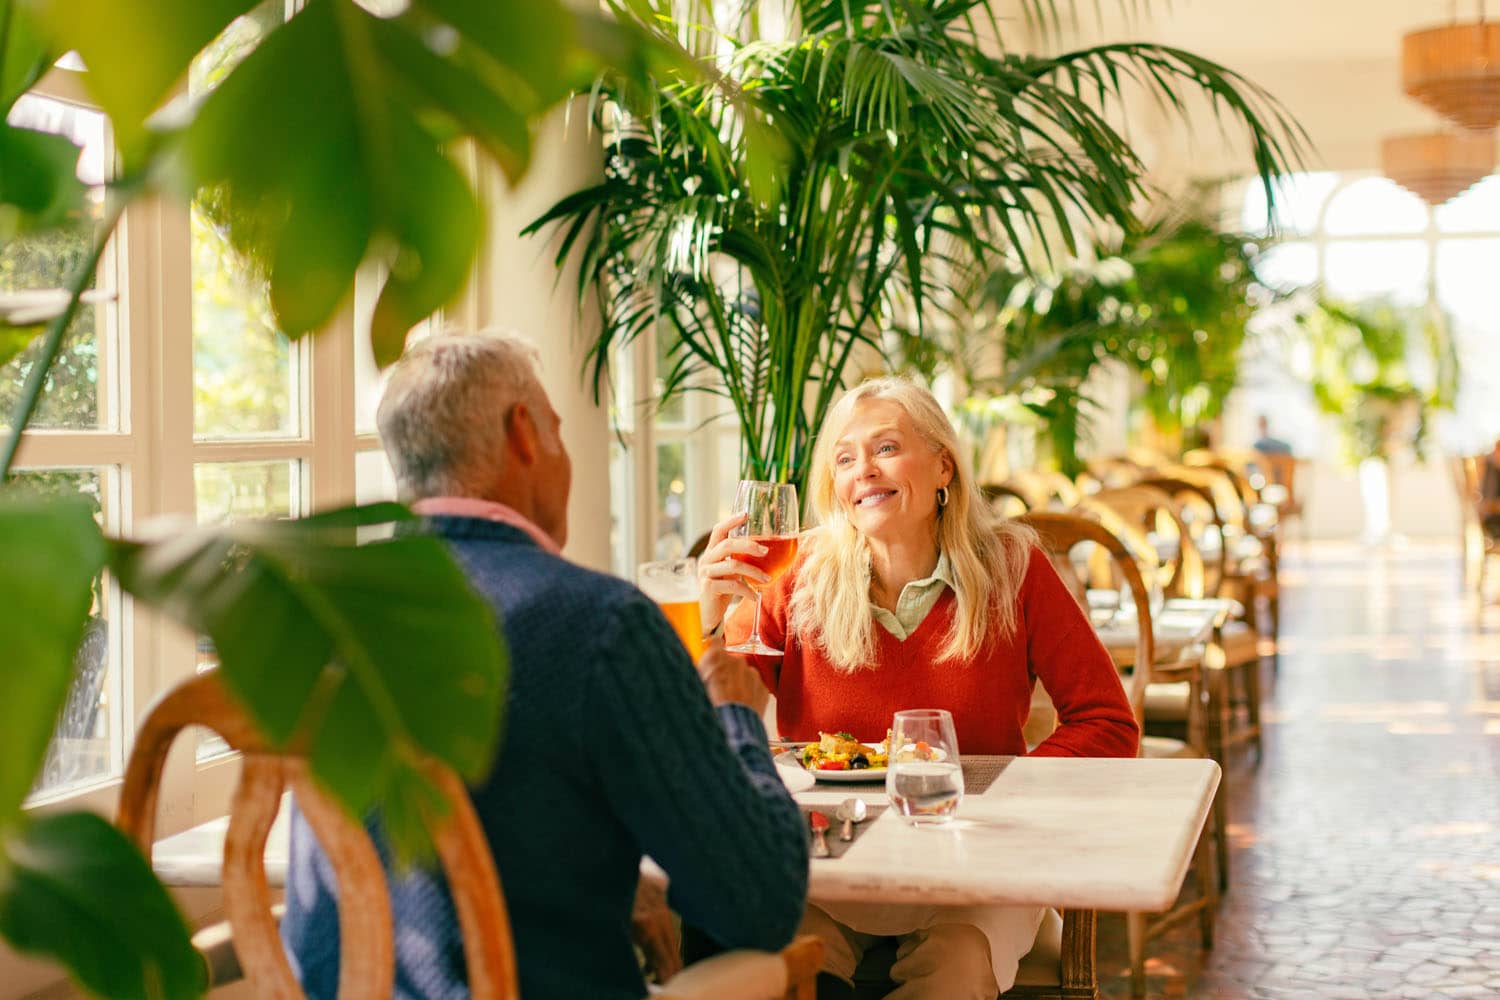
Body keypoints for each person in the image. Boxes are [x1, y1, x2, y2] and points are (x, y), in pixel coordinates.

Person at [281, 330, 808, 1000]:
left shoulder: (322, 622)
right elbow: (759, 900)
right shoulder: (601, 624)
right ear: (524, 433)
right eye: (560, 432)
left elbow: (460, 840)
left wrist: (619, 890)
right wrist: (734, 712)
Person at [698, 377, 1138, 1000]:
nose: (863, 471)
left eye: (885, 448)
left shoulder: (1013, 568)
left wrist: (998, 793)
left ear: (943, 467)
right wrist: (712, 622)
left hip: (973, 865)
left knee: (954, 968)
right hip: (836, 858)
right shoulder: (797, 579)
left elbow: (1108, 723)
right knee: (783, 957)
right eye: (845, 458)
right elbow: (715, 724)